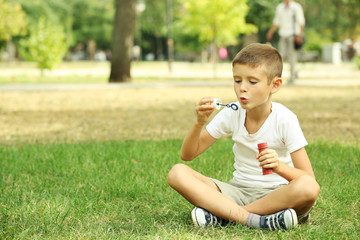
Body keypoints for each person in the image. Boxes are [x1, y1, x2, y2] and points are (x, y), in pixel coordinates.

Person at [167, 43, 319, 231]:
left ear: (275, 85)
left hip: (277, 194)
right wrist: (199, 123)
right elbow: (188, 155)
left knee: (308, 188)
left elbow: (308, 178)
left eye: (252, 82)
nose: (242, 89)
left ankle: (226, 215)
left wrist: (279, 167)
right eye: (237, 80)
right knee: (177, 173)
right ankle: (259, 220)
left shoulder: (285, 119)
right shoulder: (232, 112)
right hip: (238, 191)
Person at [266, 0, 305, 84]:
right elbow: (277, 21)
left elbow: (301, 22)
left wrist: (299, 35)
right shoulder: (280, 7)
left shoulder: (296, 7)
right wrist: (271, 32)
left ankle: (292, 76)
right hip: (283, 34)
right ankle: (279, 75)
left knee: (292, 56)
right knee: (281, 55)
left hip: (293, 35)